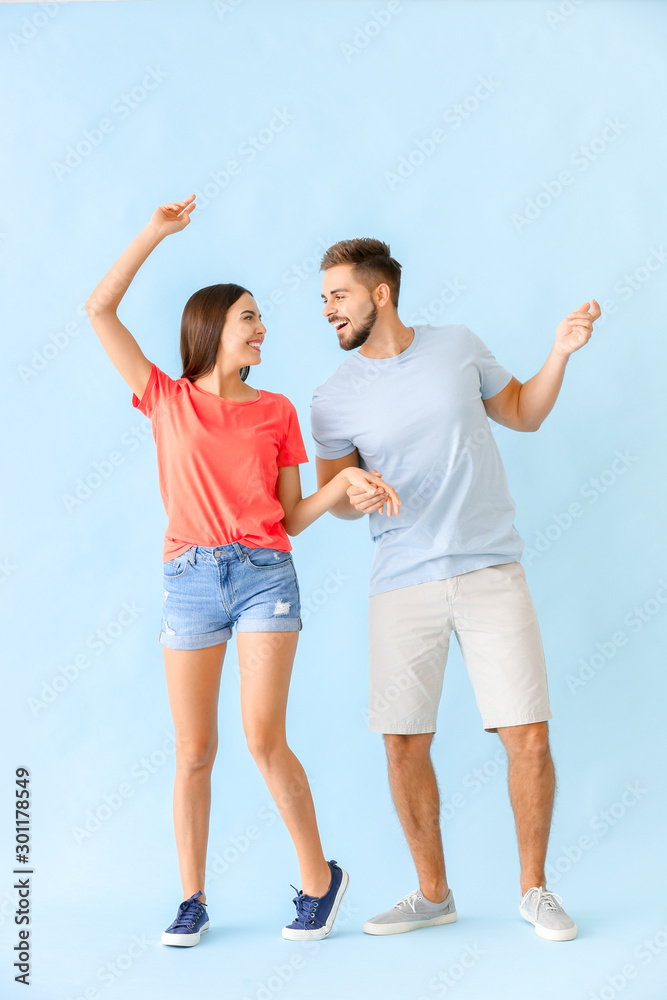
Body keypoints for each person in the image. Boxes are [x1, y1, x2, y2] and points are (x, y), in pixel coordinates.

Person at [84, 199, 401, 947]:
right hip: (189, 579)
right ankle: (191, 898)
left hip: (265, 575)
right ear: (212, 330)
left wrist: (341, 489)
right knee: (194, 750)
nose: (263, 328)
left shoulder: (277, 411)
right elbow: (98, 309)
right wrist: (154, 234)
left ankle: (319, 882)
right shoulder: (165, 399)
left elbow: (290, 517)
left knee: (263, 739)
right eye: (249, 318)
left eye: (261, 318)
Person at [310, 237, 600, 942]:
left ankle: (533, 890)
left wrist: (558, 352)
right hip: (400, 579)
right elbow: (333, 498)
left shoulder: (456, 346)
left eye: (338, 296)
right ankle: (432, 893)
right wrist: (353, 490)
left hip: (489, 568)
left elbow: (524, 414)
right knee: (402, 743)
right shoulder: (331, 397)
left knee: (526, 734)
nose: (328, 311)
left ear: (380, 294)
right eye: (323, 300)